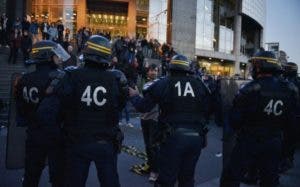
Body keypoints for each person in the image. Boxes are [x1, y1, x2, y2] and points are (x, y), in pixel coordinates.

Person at [55, 35, 128, 187]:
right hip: (106, 141)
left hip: (77, 140)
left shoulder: (71, 75)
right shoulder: (115, 79)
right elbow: (120, 106)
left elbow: (62, 104)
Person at [220, 50, 299, 187]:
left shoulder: (249, 89)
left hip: (249, 140)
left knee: (230, 177)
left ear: (259, 66)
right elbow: (292, 123)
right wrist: (286, 151)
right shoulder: (289, 89)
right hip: (274, 142)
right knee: (270, 180)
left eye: (253, 64)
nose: (251, 68)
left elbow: (235, 120)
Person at [129, 54, 210, 187]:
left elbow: (143, 106)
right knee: (187, 179)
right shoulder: (199, 84)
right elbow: (208, 109)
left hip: (173, 138)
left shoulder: (164, 83)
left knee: (166, 180)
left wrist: (134, 96)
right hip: (196, 138)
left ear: (170, 69)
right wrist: (204, 133)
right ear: (187, 70)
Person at [15, 40, 69, 187]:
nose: (59, 58)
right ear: (48, 56)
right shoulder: (61, 78)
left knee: (31, 176)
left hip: (33, 134)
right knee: (58, 178)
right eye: (56, 55)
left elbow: (20, 109)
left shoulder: (23, 79)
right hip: (56, 135)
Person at [279, 62, 300, 172]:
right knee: (290, 141)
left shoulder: (287, 83)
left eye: (286, 68)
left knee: (286, 141)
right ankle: (287, 161)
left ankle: (285, 162)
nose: (284, 70)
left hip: (290, 115)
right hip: (294, 116)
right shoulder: (291, 81)